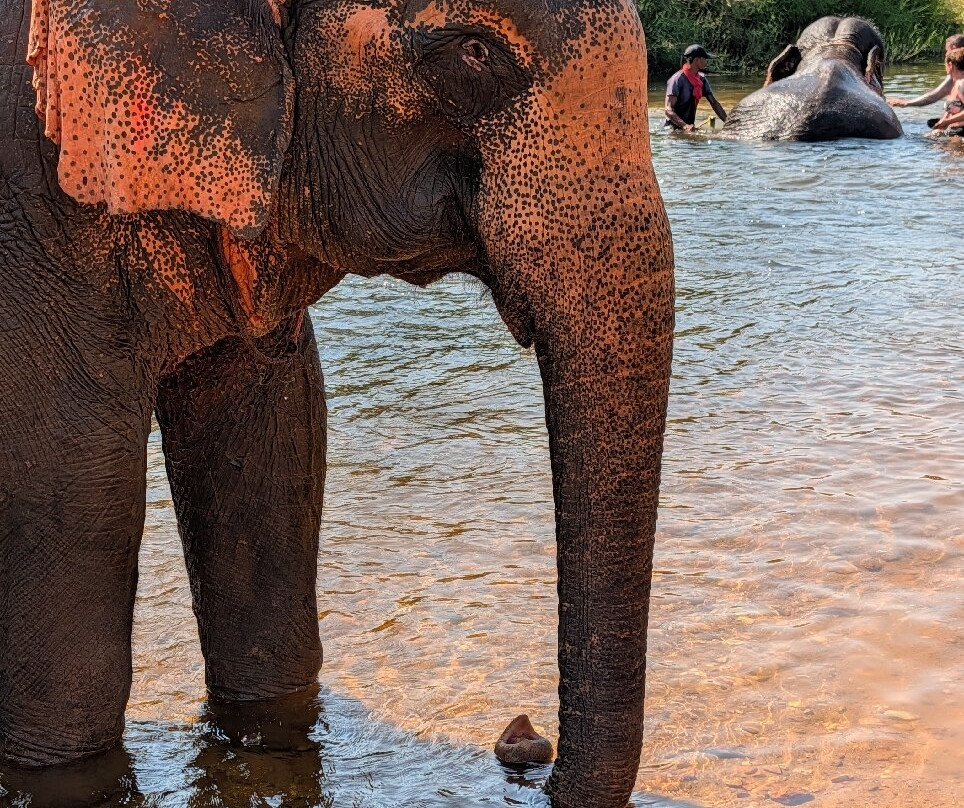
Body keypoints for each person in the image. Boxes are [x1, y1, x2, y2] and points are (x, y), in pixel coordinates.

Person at [665, 44, 728, 132]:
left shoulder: (702, 79)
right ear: (697, 60)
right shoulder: (676, 80)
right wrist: (684, 126)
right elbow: (668, 110)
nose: (706, 62)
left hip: (690, 127)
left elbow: (714, 103)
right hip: (673, 129)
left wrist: (728, 123)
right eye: (704, 59)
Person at [889, 34, 964, 107]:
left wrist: (907, 103)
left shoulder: (957, 73)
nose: (946, 54)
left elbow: (935, 95)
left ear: (955, 49)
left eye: (947, 50)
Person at [932, 47, 964, 133]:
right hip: (955, 130)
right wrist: (942, 126)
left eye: (944, 64)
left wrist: (947, 122)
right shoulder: (957, 82)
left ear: (950, 65)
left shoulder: (962, 83)